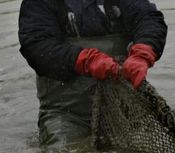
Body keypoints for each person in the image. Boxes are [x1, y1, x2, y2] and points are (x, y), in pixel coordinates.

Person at [18, 0, 167, 145]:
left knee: (150, 150)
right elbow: (37, 45)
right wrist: (86, 60)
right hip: (66, 113)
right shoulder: (38, 3)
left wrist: (143, 53)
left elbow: (148, 19)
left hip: (127, 108)